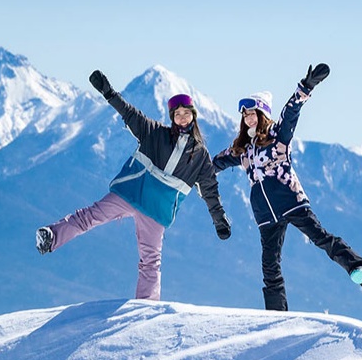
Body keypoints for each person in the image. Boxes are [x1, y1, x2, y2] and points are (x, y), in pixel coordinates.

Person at [35, 69, 231, 301]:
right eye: (177, 115)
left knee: (150, 261)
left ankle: (145, 309)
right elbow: (130, 113)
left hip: (156, 212)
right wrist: (108, 93)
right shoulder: (155, 133)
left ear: (193, 116)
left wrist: (219, 220)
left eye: (186, 114)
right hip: (130, 194)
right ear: (172, 118)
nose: (182, 119)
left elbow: (210, 191)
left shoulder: (200, 156)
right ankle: (51, 237)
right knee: (89, 216)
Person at [212, 63, 362, 311]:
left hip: (290, 201)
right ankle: (276, 315)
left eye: (252, 113)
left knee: (320, 238)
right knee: (269, 264)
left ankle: (357, 267)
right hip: (265, 215)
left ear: (262, 114)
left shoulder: (278, 135)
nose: (248, 117)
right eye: (245, 114)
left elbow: (290, 113)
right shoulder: (241, 149)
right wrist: (192, 170)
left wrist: (306, 87)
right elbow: (213, 164)